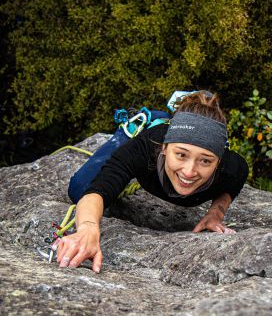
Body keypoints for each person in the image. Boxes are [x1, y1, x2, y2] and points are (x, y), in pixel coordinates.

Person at [57, 91, 248, 273]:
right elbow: (98, 190)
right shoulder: (143, 149)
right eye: (181, 154)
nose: (189, 172)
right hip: (149, 133)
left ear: (218, 162)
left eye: (205, 160)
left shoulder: (230, 167)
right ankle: (152, 118)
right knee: (80, 188)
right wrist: (88, 229)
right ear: (165, 147)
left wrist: (216, 213)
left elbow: (237, 178)